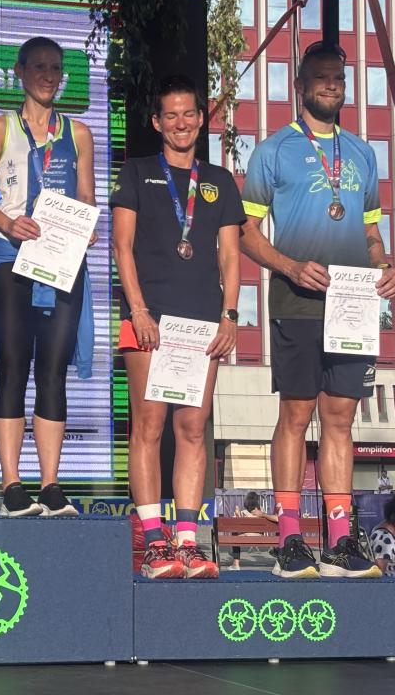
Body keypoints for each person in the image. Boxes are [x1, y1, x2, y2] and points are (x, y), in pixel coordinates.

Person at [239, 40, 395, 578]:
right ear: (300, 86)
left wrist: (385, 266)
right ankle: (289, 538)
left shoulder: (362, 152)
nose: (331, 85)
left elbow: (370, 231)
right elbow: (245, 232)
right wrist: (288, 266)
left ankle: (339, 538)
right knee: (296, 414)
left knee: (341, 419)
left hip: (353, 306)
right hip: (298, 301)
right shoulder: (274, 150)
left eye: (338, 78)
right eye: (321, 77)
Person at [112, 75, 243, 578]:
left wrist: (229, 316)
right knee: (148, 426)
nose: (181, 123)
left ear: (201, 119)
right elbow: (122, 246)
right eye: (171, 115)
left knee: (192, 428)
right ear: (156, 122)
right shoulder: (138, 171)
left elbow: (230, 256)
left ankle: (187, 543)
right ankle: (153, 544)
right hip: (149, 318)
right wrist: (139, 310)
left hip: (202, 322)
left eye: (189, 113)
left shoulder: (220, 180)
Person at [0, 37, 96, 517]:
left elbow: (87, 196)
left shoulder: (78, 133)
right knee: (13, 366)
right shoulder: (0, 128)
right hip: (13, 259)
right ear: (20, 72)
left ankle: (51, 484)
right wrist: (7, 223)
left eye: (55, 68)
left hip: (61, 263)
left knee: (54, 371)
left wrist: (86, 226)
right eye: (39, 67)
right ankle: (11, 484)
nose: (48, 76)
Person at [228, 491, 276, 571]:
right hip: (261, 538)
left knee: (234, 536)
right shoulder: (262, 512)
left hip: (246, 537)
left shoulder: (244, 512)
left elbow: (237, 526)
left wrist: (237, 515)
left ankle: (236, 564)